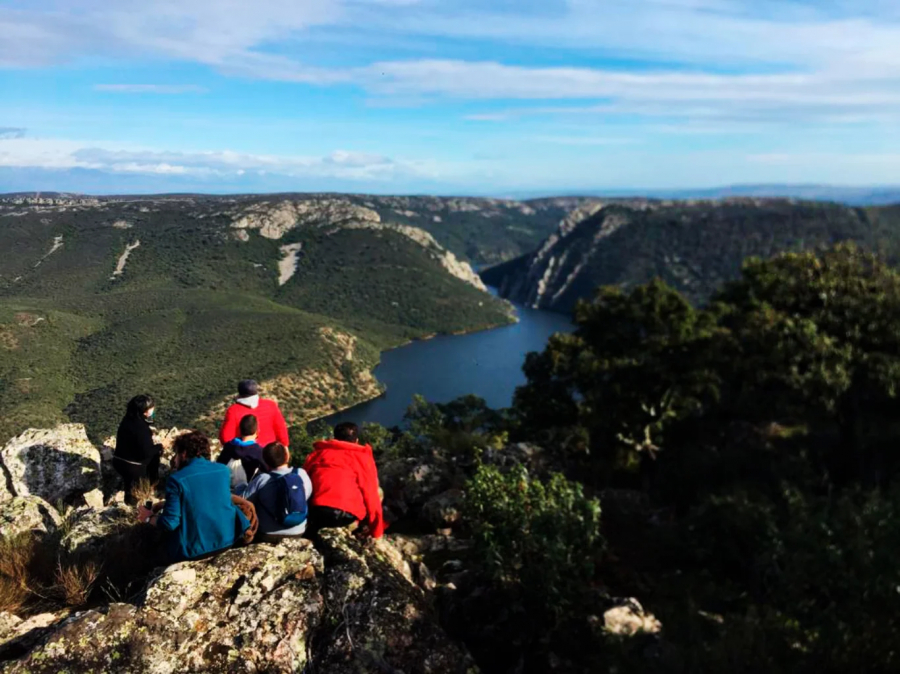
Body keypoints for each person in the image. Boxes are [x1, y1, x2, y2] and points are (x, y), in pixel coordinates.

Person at [140, 431, 250, 562]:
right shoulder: (223, 470)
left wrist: (148, 518)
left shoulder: (177, 479)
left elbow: (170, 523)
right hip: (228, 540)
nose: (175, 459)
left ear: (184, 454)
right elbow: (206, 498)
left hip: (196, 550)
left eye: (176, 454)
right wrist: (165, 503)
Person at [303, 422, 385, 539]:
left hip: (315, 512)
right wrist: (377, 531)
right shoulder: (362, 458)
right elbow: (370, 494)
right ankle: (356, 530)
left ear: (334, 438)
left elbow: (302, 481)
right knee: (378, 491)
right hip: (345, 516)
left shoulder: (317, 454)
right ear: (356, 440)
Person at [244, 442, 313, 542]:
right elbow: (307, 495)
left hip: (267, 534)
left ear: (265, 461)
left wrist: (241, 486)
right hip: (298, 532)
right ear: (287, 456)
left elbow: (245, 502)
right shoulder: (301, 474)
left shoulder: (262, 479)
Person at [114, 394, 163, 505]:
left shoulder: (128, 419)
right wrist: (160, 446)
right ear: (145, 411)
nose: (153, 409)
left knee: (129, 485)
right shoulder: (141, 429)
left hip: (119, 460)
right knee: (155, 454)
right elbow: (146, 453)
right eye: (151, 408)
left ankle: (129, 498)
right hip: (133, 467)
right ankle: (148, 490)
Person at [219, 380, 289, 448]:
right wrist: (284, 447)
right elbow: (281, 430)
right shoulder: (270, 405)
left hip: (246, 455)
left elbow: (225, 438)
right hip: (269, 453)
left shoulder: (233, 410)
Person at [216, 414, 267, 495]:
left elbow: (218, 466)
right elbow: (267, 473)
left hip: (225, 492)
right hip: (247, 496)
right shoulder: (258, 451)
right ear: (257, 431)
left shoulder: (228, 446)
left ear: (239, 430)